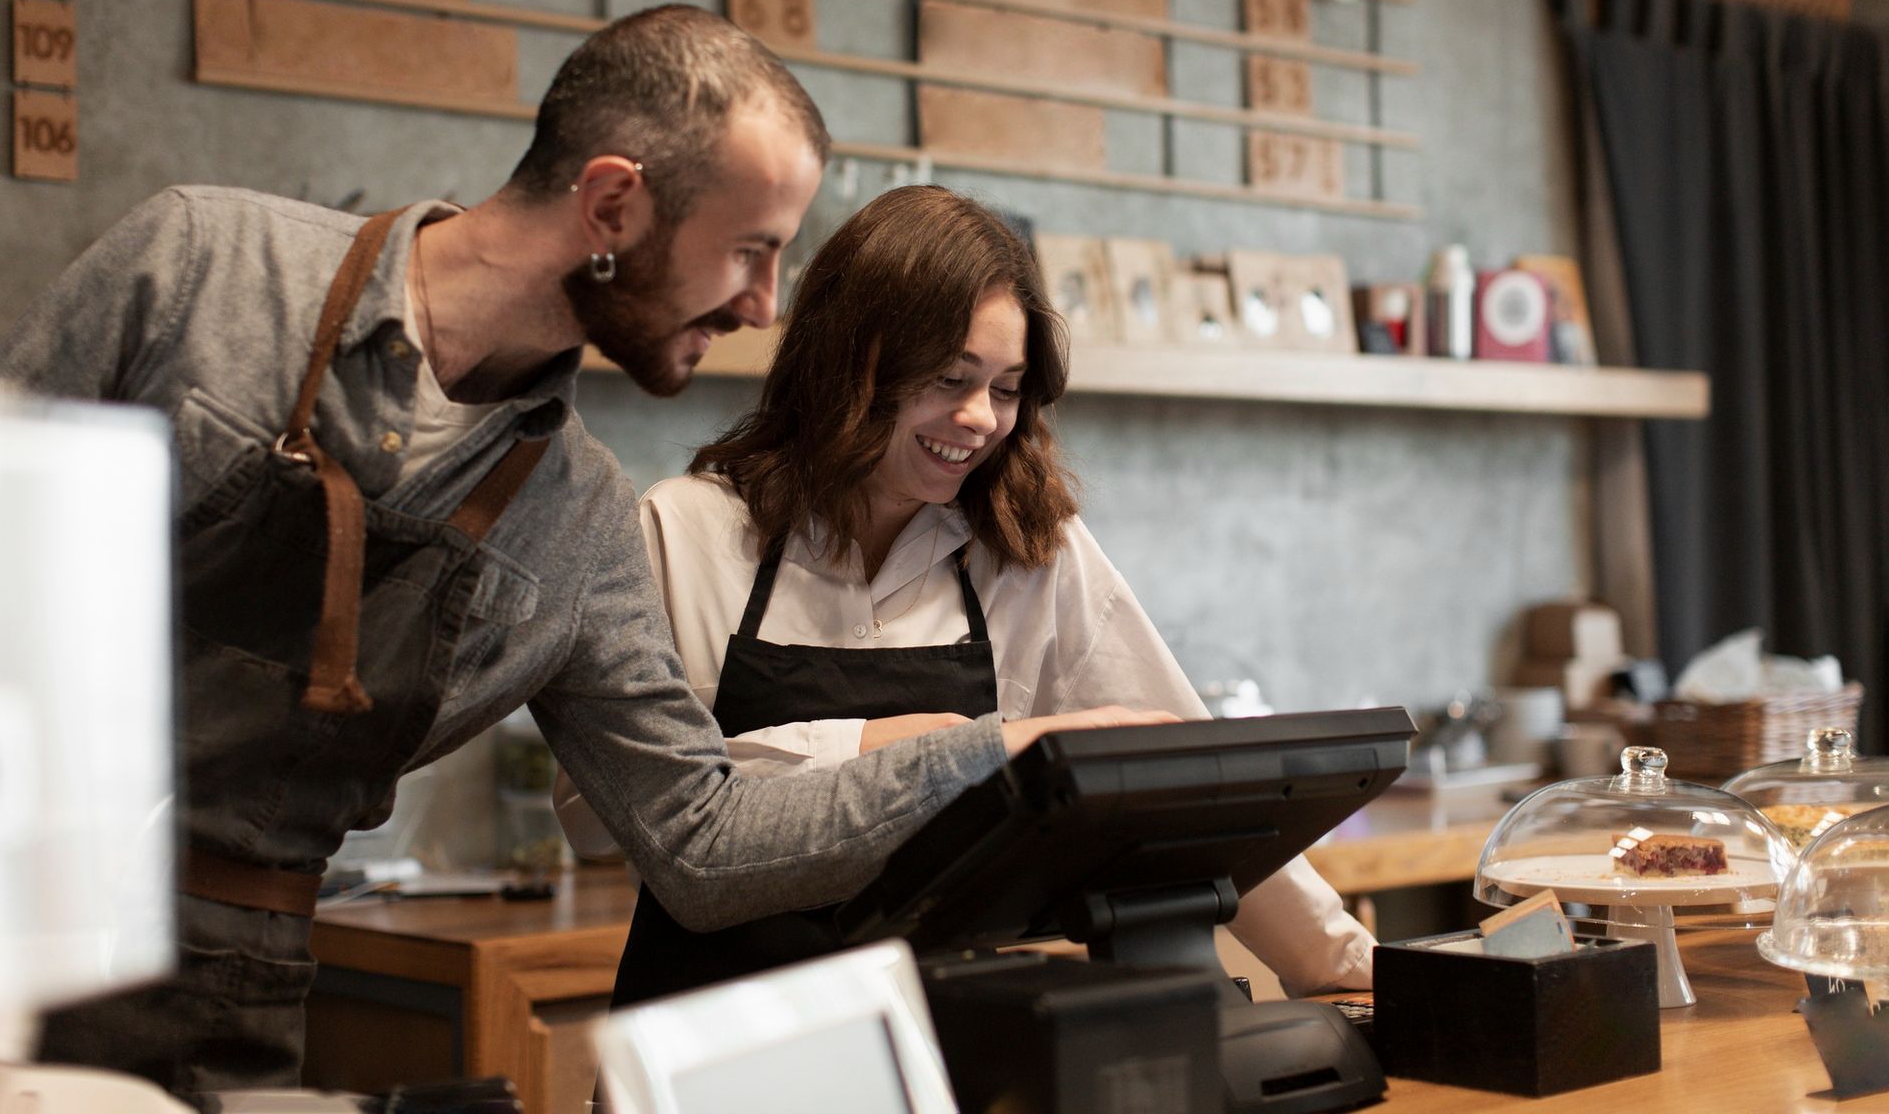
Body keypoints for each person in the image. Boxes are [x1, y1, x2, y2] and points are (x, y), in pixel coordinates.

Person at [0, 7, 1158, 1099]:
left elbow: (698, 838)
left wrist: (996, 754)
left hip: (233, 986)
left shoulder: (578, 514)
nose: (765, 304)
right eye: (751, 249)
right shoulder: (205, 270)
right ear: (611, 208)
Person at [557, 184, 1376, 1005]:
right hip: (710, 1048)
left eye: (1008, 387)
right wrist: (914, 745)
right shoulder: (684, 530)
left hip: (945, 1046)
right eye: (951, 377)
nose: (980, 417)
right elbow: (601, 820)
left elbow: (1196, 788)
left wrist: (1348, 964)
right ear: (851, 360)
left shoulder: (1027, 549)